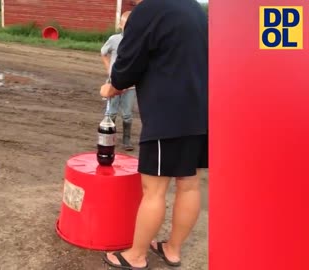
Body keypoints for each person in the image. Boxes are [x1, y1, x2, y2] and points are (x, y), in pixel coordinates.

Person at [100, 0, 208, 269]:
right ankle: (172, 249)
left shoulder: (148, 11)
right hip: (203, 110)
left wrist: (112, 86)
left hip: (168, 115)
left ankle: (135, 256)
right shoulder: (194, 8)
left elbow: (127, 64)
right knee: (190, 183)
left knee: (154, 190)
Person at [100, 11, 136, 151]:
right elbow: (103, 53)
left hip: (131, 85)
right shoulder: (114, 39)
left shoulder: (137, 41)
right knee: (111, 112)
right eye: (125, 24)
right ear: (120, 25)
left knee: (127, 114)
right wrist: (109, 69)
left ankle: (126, 140)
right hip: (114, 82)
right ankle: (110, 138)